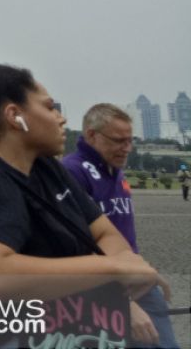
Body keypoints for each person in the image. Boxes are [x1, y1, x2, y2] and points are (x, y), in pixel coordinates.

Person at [0, 51, 164, 348]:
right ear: (14, 116)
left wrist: (120, 262)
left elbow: (105, 232)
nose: (61, 118)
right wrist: (115, 268)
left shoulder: (49, 169)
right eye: (50, 107)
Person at [63, 104, 179, 348]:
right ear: (92, 135)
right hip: (101, 287)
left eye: (130, 140)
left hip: (137, 280)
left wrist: (143, 268)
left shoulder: (115, 168)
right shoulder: (72, 171)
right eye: (118, 140)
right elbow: (73, 245)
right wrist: (117, 298)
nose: (127, 148)